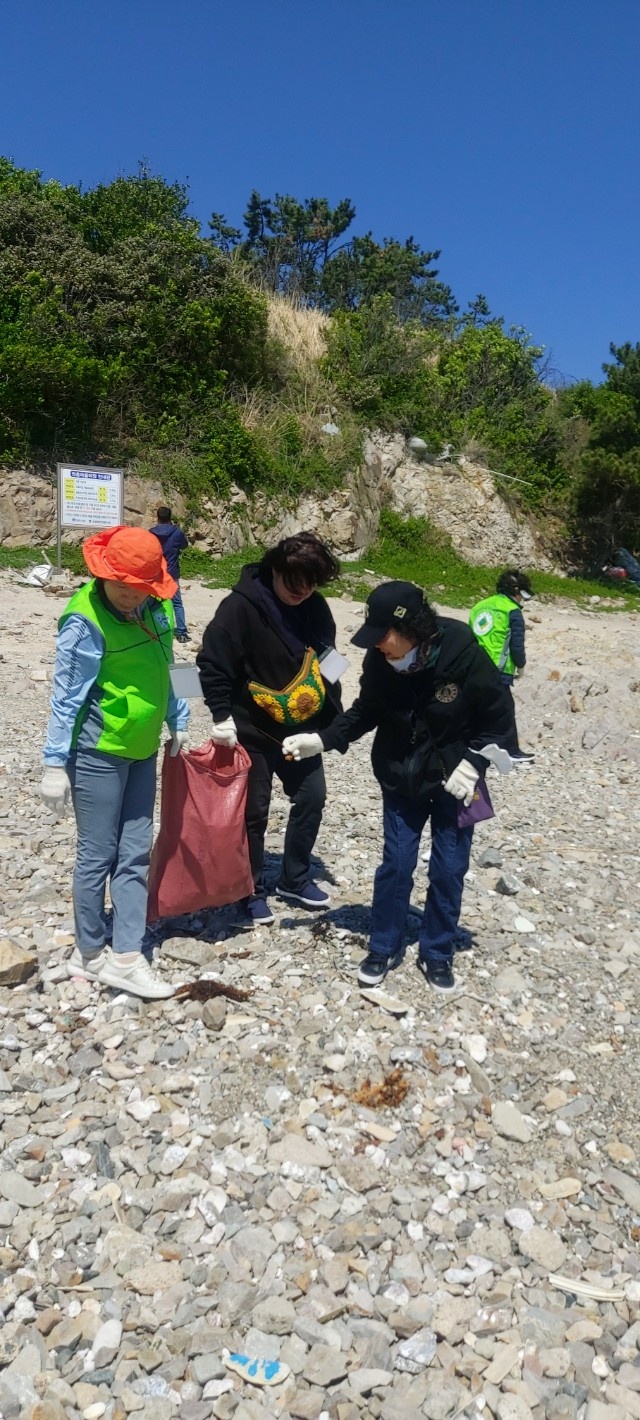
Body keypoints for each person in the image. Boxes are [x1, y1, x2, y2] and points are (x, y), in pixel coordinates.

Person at [281, 580, 511, 993]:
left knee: (449, 868)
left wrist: (474, 763)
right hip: (400, 776)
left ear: (412, 629)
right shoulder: (380, 659)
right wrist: (322, 740)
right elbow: (365, 711)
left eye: (383, 635)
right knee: (397, 864)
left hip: (458, 782)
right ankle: (383, 945)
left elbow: (498, 719)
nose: (376, 645)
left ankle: (437, 951)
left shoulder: (463, 652)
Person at [39, 525, 190, 1000]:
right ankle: (88, 951)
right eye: (122, 585)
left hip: (144, 749)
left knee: (135, 852)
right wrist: (53, 764)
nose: (130, 595)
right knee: (97, 853)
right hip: (98, 752)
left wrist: (182, 719)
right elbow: (66, 696)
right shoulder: (83, 620)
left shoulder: (158, 607)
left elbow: (175, 665)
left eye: (140, 586)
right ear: (103, 574)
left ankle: (126, 955)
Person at [197, 532, 343, 926]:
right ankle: (251, 888)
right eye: (294, 583)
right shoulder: (239, 607)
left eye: (311, 585)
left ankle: (294, 878)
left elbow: (328, 657)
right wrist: (221, 716)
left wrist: (333, 714)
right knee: (253, 812)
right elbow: (212, 663)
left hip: (300, 730)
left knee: (312, 797)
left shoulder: (316, 606)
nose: (302, 592)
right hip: (252, 728)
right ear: (274, 569)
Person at [469, 570, 535, 765]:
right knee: (505, 709)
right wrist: (521, 666)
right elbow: (516, 645)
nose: (522, 600)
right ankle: (510, 751)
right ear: (516, 591)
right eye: (522, 595)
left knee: (477, 707)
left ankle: (476, 745)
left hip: (473, 665)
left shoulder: (479, 606)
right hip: (498, 669)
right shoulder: (512, 610)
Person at [149, 506, 190, 641]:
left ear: (158, 517)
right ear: (170, 517)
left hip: (156, 573)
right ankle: (181, 632)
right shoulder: (177, 533)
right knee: (177, 603)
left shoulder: (151, 533)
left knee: (154, 602)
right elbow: (184, 545)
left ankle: (155, 629)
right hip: (172, 572)